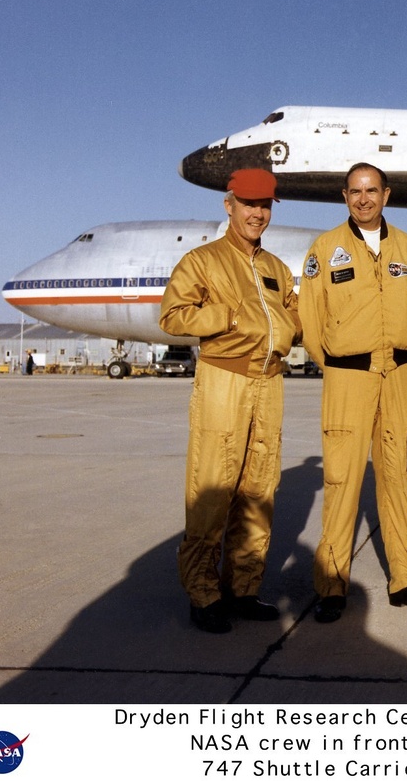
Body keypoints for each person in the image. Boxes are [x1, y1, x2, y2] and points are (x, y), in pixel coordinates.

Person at [298, 162, 407, 624]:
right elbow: (310, 322)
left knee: (399, 478)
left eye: (372, 191)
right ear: (344, 196)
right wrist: (343, 365)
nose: (364, 199)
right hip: (349, 378)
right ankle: (331, 585)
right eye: (355, 192)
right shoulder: (325, 250)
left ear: (387, 194)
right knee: (342, 481)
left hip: (399, 375)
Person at [159, 168, 301, 634]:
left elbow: (294, 315)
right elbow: (173, 316)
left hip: (270, 382)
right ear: (229, 205)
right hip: (224, 380)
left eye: (264, 206)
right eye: (248, 204)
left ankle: (243, 589)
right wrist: (231, 317)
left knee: (260, 489)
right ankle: (203, 593)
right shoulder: (201, 261)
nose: (257, 213)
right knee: (213, 487)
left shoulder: (276, 268)